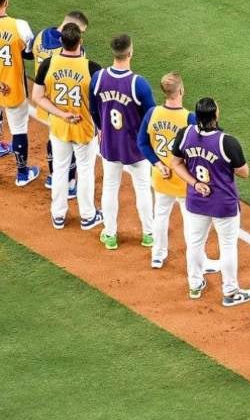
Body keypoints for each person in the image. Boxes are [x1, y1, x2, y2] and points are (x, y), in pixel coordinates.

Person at [169, 97, 250, 306]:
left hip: (196, 201)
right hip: (223, 203)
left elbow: (175, 163)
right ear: (215, 115)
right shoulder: (227, 141)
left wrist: (194, 183)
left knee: (195, 244)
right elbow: (244, 172)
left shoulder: (185, 133)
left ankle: (195, 285)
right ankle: (231, 292)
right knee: (227, 247)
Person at [136, 73, 217, 273]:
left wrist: (157, 164)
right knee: (192, 224)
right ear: (181, 90)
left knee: (160, 216)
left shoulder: (152, 113)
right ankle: (200, 262)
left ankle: (158, 255)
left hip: (161, 177)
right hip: (184, 180)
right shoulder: (188, 118)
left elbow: (142, 142)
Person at [31, 22, 102, 229]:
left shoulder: (48, 64)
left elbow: (37, 97)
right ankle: (88, 216)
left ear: (61, 41)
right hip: (84, 128)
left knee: (60, 170)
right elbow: (100, 103)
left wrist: (62, 114)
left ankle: (58, 215)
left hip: (60, 127)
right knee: (86, 170)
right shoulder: (92, 68)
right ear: (81, 41)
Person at [90, 34, 155, 250]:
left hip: (109, 143)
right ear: (130, 52)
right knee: (143, 188)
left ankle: (110, 235)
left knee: (110, 187)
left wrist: (101, 129)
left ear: (114, 52)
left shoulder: (98, 78)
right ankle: (148, 234)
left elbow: (94, 110)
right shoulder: (139, 84)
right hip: (135, 148)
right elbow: (150, 118)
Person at [33, 9, 89, 195]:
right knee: (67, 144)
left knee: (53, 138)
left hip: (43, 100)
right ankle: (70, 182)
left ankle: (52, 176)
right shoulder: (71, 49)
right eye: (80, 31)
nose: (81, 36)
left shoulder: (41, 35)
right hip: (63, 103)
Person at [0, 0, 39, 187]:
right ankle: (22, 174)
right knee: (18, 130)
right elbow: (31, 52)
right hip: (12, 86)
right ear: (6, 3)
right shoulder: (19, 25)